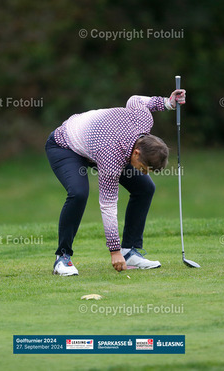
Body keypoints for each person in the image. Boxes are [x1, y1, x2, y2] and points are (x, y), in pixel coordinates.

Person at [45, 88, 186, 276]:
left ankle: (130, 251)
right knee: (78, 193)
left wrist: (168, 103)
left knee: (145, 187)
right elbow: (108, 204)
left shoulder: (144, 120)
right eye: (143, 168)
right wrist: (114, 251)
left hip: (98, 144)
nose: (143, 172)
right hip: (65, 145)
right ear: (137, 153)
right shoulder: (111, 156)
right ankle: (62, 257)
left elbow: (135, 100)